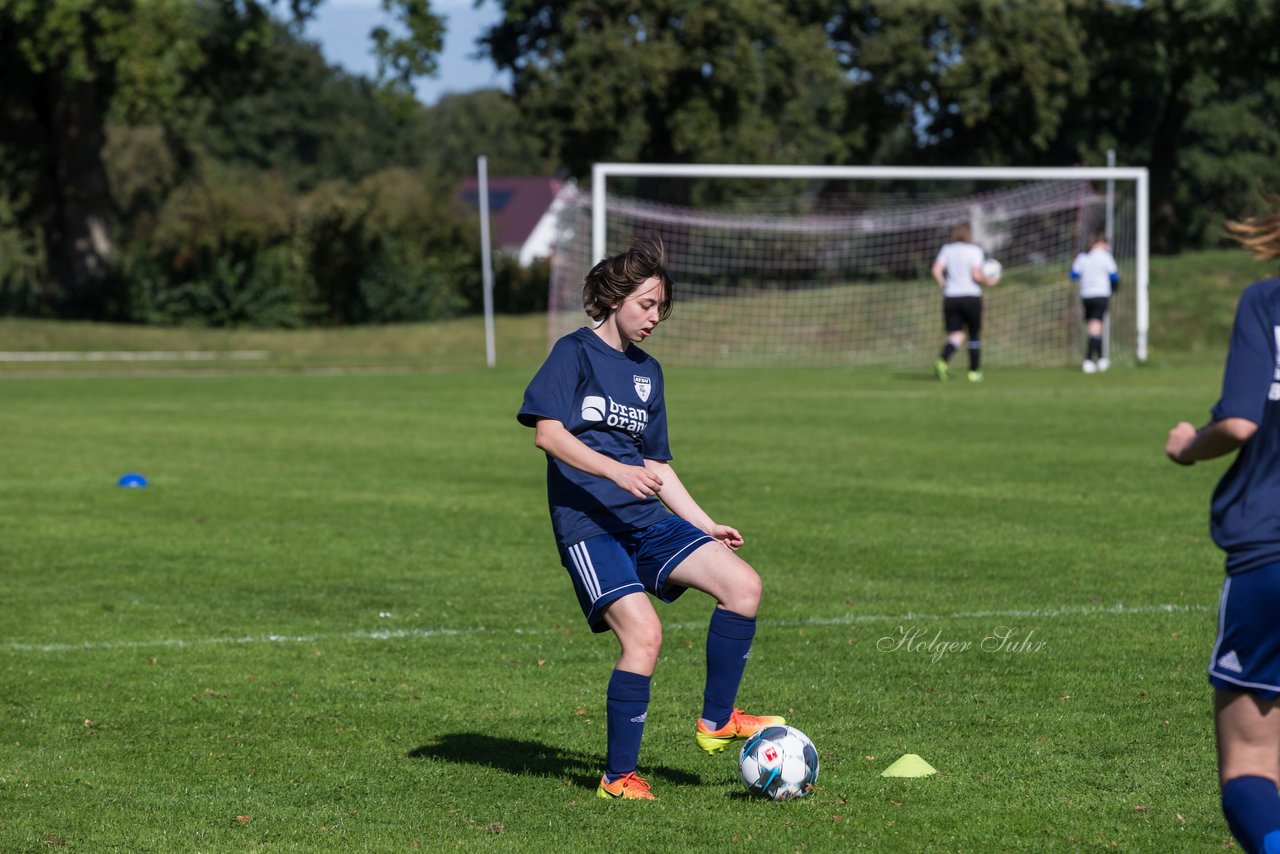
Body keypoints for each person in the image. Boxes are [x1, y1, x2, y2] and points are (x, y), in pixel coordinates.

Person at [517, 237, 784, 801]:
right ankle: (617, 779)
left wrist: (704, 522)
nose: (655, 318)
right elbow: (548, 433)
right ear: (615, 299)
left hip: (644, 518)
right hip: (589, 526)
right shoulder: (573, 353)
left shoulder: (649, 372)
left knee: (743, 585)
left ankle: (716, 722)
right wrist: (616, 473)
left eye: (661, 308)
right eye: (646, 304)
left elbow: (655, 462)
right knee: (644, 635)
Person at [1166, 196, 1280, 854]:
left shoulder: (1265, 302)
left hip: (1269, 552)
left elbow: (1239, 422)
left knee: (1251, 765)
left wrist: (1187, 444)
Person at [932, 222, 997, 382]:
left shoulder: (947, 249)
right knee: (973, 335)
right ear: (969, 234)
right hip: (971, 296)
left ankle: (942, 361)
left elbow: (936, 269)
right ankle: (974, 372)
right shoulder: (974, 250)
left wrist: (942, 283)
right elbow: (976, 275)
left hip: (951, 297)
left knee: (957, 334)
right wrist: (989, 281)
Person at [1070, 232, 1120, 373]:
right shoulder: (1105, 257)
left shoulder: (1083, 257)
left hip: (1086, 295)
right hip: (1100, 294)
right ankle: (1089, 359)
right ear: (1101, 243)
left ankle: (1102, 359)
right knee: (1095, 326)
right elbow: (1114, 276)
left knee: (1096, 326)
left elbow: (1073, 275)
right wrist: (1114, 288)